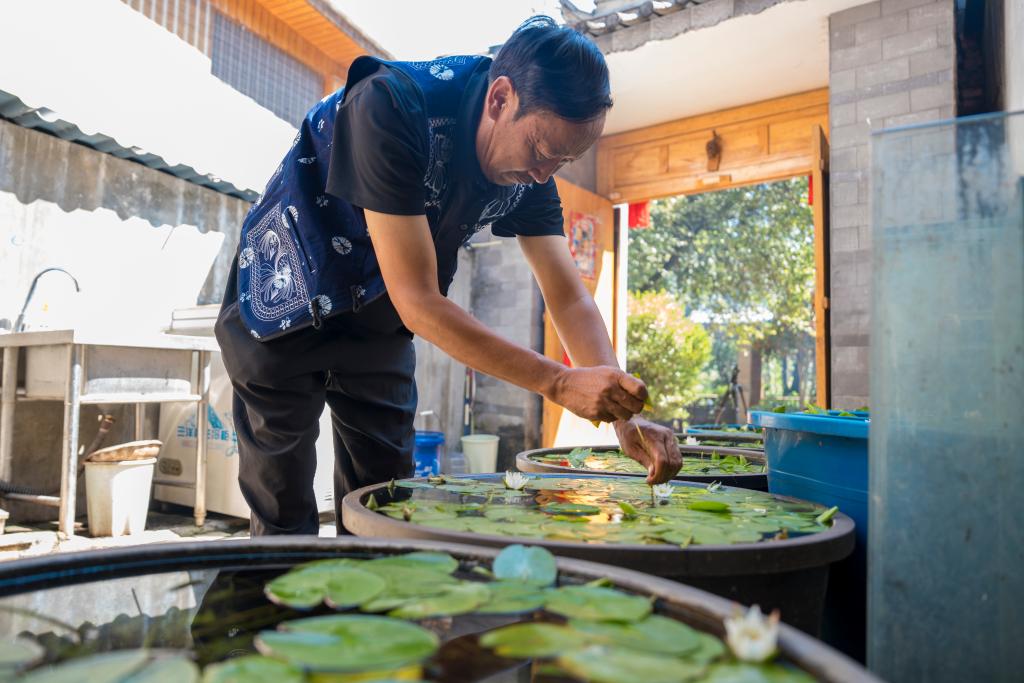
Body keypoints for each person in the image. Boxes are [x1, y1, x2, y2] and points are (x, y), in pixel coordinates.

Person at [214, 16, 682, 536]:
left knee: (386, 504)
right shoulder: (390, 105)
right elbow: (418, 298)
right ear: (500, 99)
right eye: (541, 151)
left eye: (563, 161)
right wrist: (557, 380)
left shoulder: (533, 176)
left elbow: (569, 298)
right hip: (286, 301)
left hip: (377, 318)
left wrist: (624, 415)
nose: (544, 174)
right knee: (283, 514)